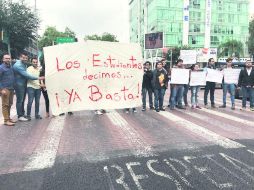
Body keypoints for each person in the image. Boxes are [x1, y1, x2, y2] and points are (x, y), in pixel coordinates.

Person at [13, 52, 44, 121]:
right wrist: (39, 78)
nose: (25, 59)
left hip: (24, 85)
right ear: (20, 57)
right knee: (20, 100)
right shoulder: (18, 65)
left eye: (26, 58)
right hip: (19, 85)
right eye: (23, 57)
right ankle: (20, 115)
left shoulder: (24, 64)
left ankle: (23, 114)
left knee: (22, 100)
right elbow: (27, 76)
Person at [0, 54, 16, 126]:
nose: (8, 60)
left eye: (9, 58)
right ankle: (6, 120)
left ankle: (8, 118)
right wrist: (1, 89)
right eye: (6, 58)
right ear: (3, 59)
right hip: (5, 89)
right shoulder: (1, 68)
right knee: (5, 105)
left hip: (11, 88)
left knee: (10, 104)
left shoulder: (10, 67)